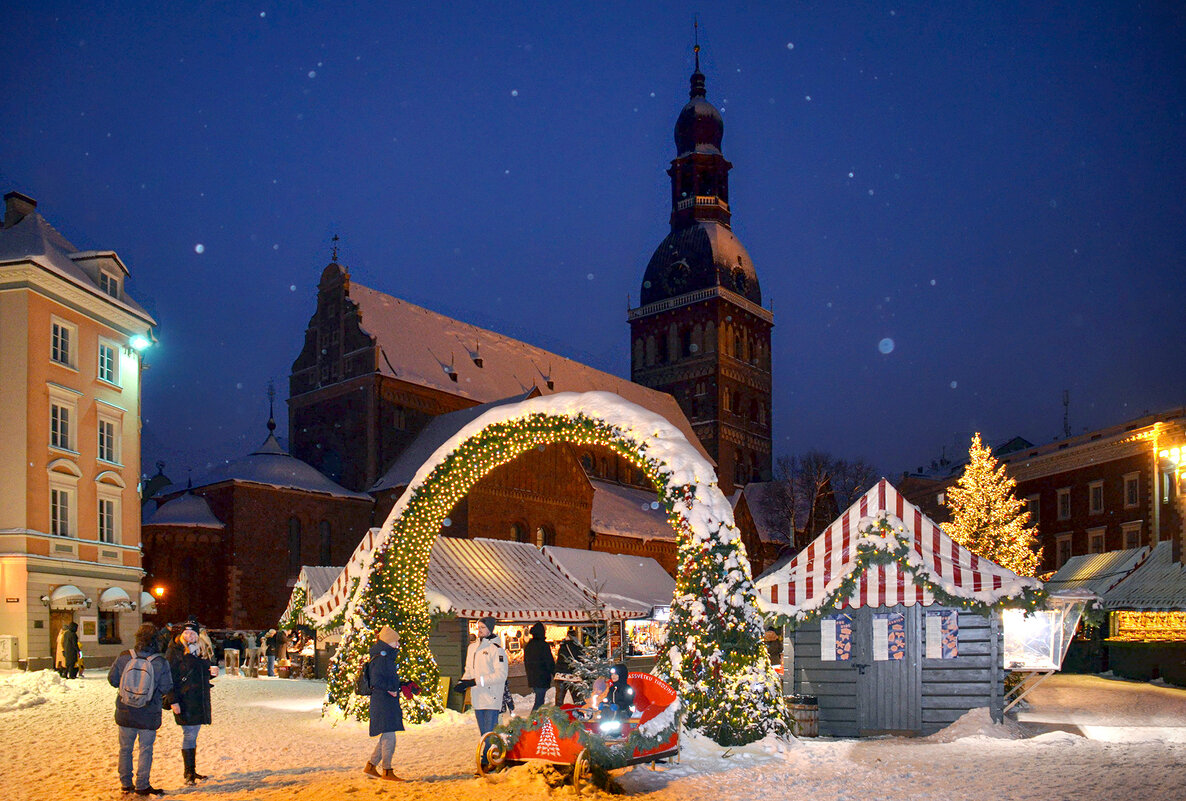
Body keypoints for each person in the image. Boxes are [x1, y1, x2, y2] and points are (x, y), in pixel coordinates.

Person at [109, 622, 175, 796]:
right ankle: (142, 784)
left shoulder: (124, 656)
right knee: (146, 749)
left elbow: (113, 680)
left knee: (125, 749)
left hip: (125, 711)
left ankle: (125, 783)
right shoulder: (160, 662)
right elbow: (166, 686)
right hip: (149, 713)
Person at [164, 623, 219, 785]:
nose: (190, 636)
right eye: (187, 633)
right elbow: (168, 678)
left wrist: (211, 674)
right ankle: (188, 772)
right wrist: (173, 700)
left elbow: (200, 676)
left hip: (198, 700)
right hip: (184, 700)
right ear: (182, 635)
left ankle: (192, 771)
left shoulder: (200, 651)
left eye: (193, 633)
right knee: (189, 734)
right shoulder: (174, 652)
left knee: (192, 735)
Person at [362, 626, 413, 782]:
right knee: (389, 736)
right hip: (383, 701)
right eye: (396, 641)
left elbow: (387, 679)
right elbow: (377, 681)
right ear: (389, 641)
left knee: (387, 734)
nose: (398, 644)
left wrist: (403, 684)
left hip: (385, 700)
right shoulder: (382, 658)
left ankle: (371, 766)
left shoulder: (384, 657)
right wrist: (391, 688)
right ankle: (387, 770)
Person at [457, 617, 507, 736]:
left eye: (483, 627)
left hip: (491, 697)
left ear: (490, 629)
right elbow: (469, 670)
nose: (479, 630)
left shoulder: (496, 650)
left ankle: (487, 754)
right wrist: (463, 683)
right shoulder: (472, 648)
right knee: (483, 733)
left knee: (489, 734)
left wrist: (476, 681)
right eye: (478, 627)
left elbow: (501, 675)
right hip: (477, 697)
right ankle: (491, 753)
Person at [523, 622, 555, 711]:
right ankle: (533, 720)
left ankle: (536, 720)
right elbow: (549, 661)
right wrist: (554, 673)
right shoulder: (543, 645)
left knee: (539, 699)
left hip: (533, 677)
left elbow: (526, 661)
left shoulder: (529, 645)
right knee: (539, 701)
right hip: (542, 677)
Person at [552, 627, 584, 706]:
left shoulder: (562, 647)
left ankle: (557, 716)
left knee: (559, 700)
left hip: (560, 676)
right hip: (573, 676)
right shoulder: (577, 647)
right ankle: (580, 714)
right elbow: (581, 661)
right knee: (577, 699)